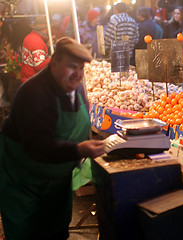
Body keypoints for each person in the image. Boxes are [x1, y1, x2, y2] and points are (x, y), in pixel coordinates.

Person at [0, 37, 105, 239]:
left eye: (81, 68)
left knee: (56, 231)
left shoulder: (76, 88)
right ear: (54, 63)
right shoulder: (34, 93)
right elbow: (37, 146)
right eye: (71, 67)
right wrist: (79, 150)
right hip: (25, 183)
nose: (77, 74)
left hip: (56, 180)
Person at [21, 16, 51, 83]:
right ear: (45, 29)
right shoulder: (37, 42)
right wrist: (52, 58)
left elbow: (33, 55)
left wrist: (47, 45)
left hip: (26, 78)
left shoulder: (29, 37)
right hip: (33, 81)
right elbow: (39, 66)